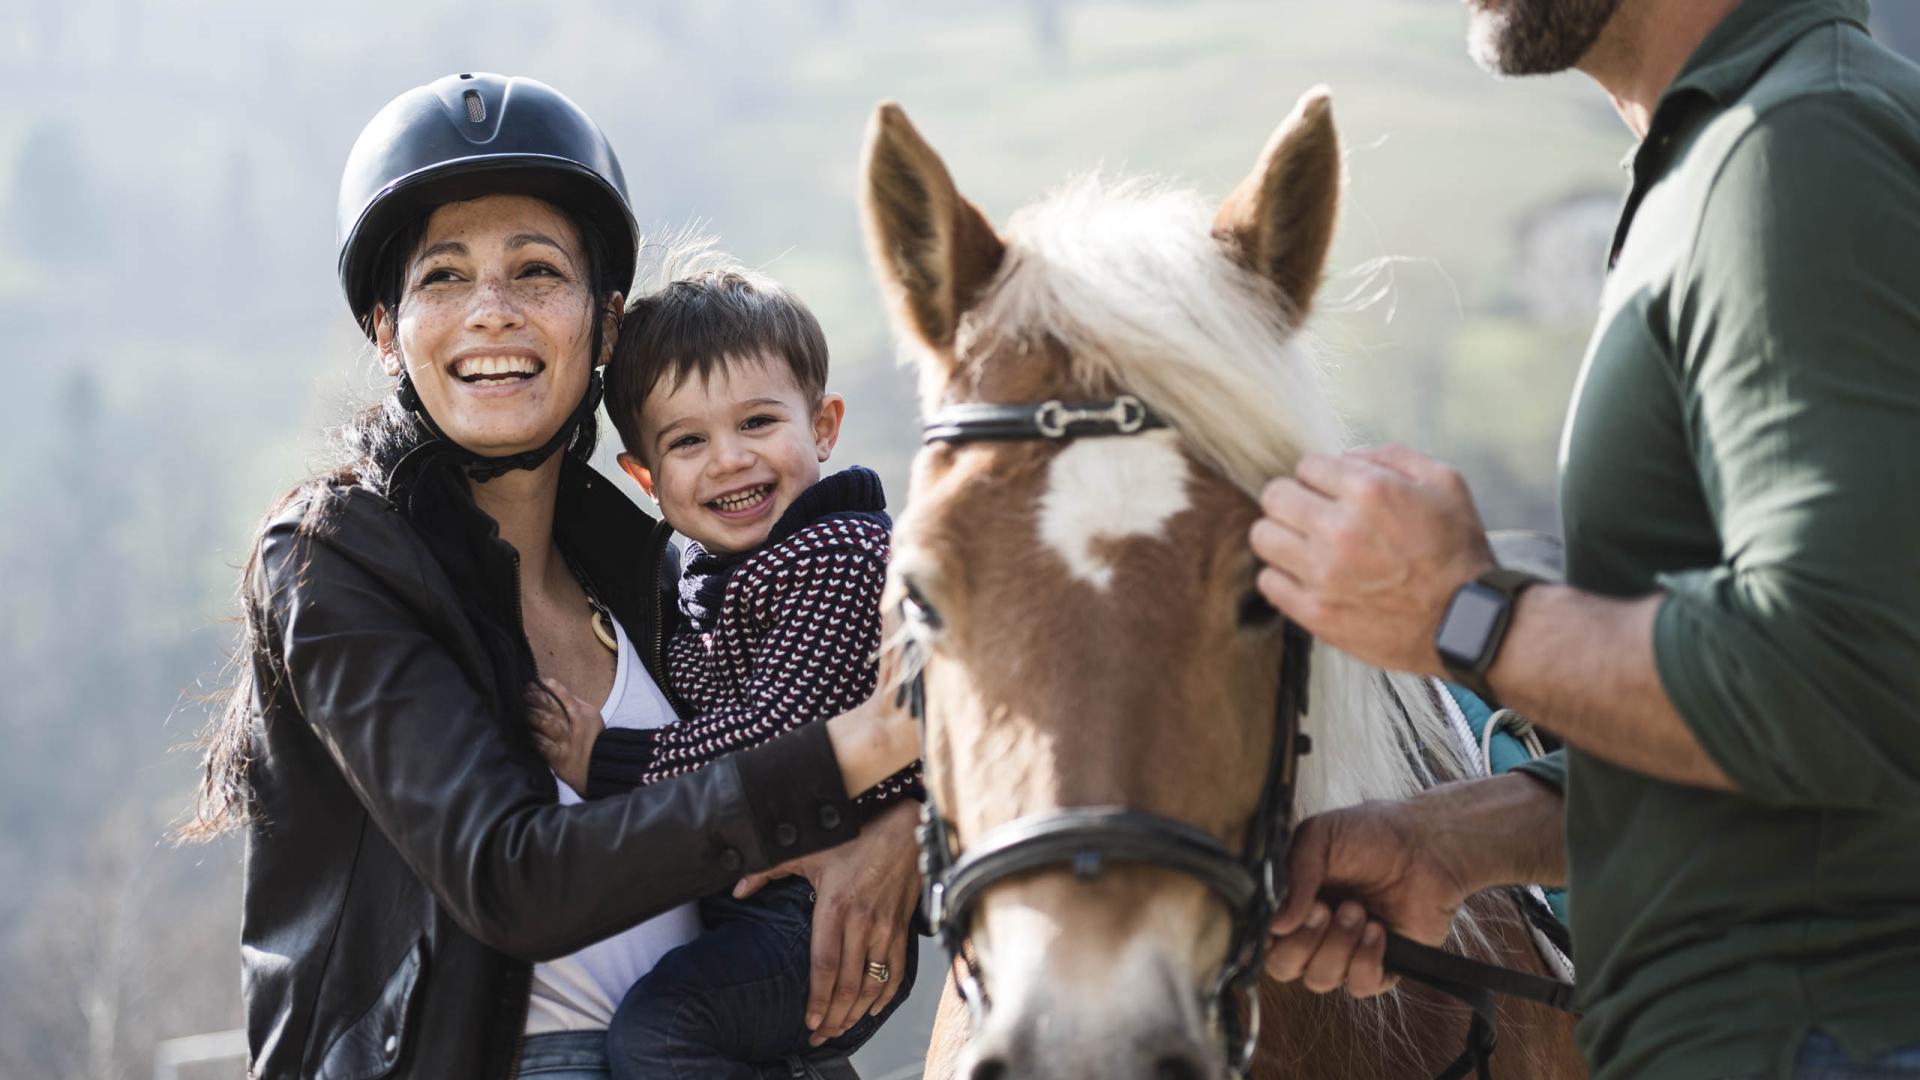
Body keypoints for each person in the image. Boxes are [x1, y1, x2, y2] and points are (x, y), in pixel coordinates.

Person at [180, 73, 923, 1080]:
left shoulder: (658, 561)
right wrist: (852, 758)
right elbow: (509, 880)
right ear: (385, 327)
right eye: (444, 278)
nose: (493, 313)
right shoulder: (335, 559)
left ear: (604, 324)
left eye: (537, 271)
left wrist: (901, 829)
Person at [1247, 1, 1920, 1078]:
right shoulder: (1743, 150)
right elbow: (1791, 751)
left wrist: (1463, 612)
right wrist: (1455, 843)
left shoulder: (1799, 148)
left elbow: (1844, 686)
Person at [525, 264, 922, 1078]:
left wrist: (612, 762)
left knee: (666, 1033)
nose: (730, 461)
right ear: (644, 476)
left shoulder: (842, 555)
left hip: (815, 909)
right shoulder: (699, 578)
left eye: (758, 422)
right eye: (688, 441)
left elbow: (786, 737)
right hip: (751, 903)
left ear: (823, 425)